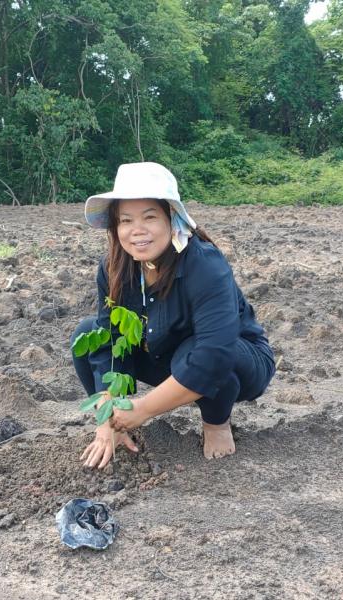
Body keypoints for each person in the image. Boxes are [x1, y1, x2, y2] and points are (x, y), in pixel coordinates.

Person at [71, 162, 275, 469]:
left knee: (198, 350)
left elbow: (215, 352)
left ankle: (216, 422)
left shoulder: (204, 264)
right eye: (126, 220)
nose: (137, 230)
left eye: (149, 217)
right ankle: (119, 426)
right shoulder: (114, 267)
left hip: (238, 360)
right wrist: (107, 419)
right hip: (166, 355)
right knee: (90, 335)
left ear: (172, 217)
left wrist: (143, 409)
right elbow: (111, 342)